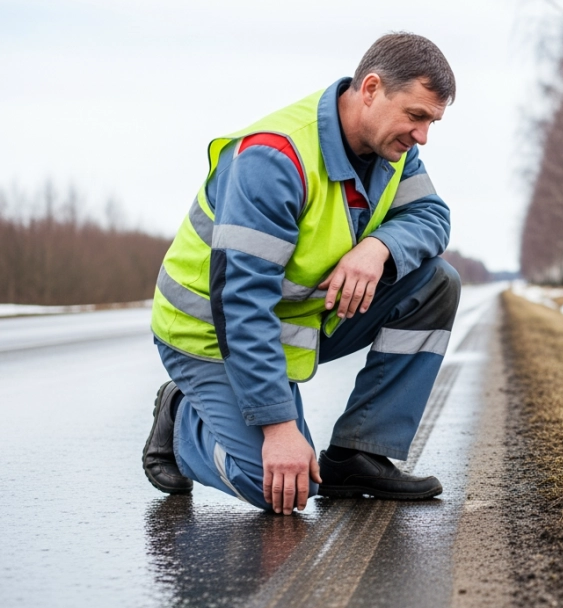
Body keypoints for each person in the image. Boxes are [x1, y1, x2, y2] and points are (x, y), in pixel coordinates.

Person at [143, 32, 461, 515]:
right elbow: (242, 302)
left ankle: (360, 452)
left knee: (437, 282)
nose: (422, 136)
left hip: (296, 318)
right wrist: (278, 428)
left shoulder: (393, 152)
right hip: (209, 332)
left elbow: (432, 217)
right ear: (371, 89)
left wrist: (378, 247)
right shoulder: (275, 159)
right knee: (276, 485)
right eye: (416, 116)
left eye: (432, 122)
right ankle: (181, 413)